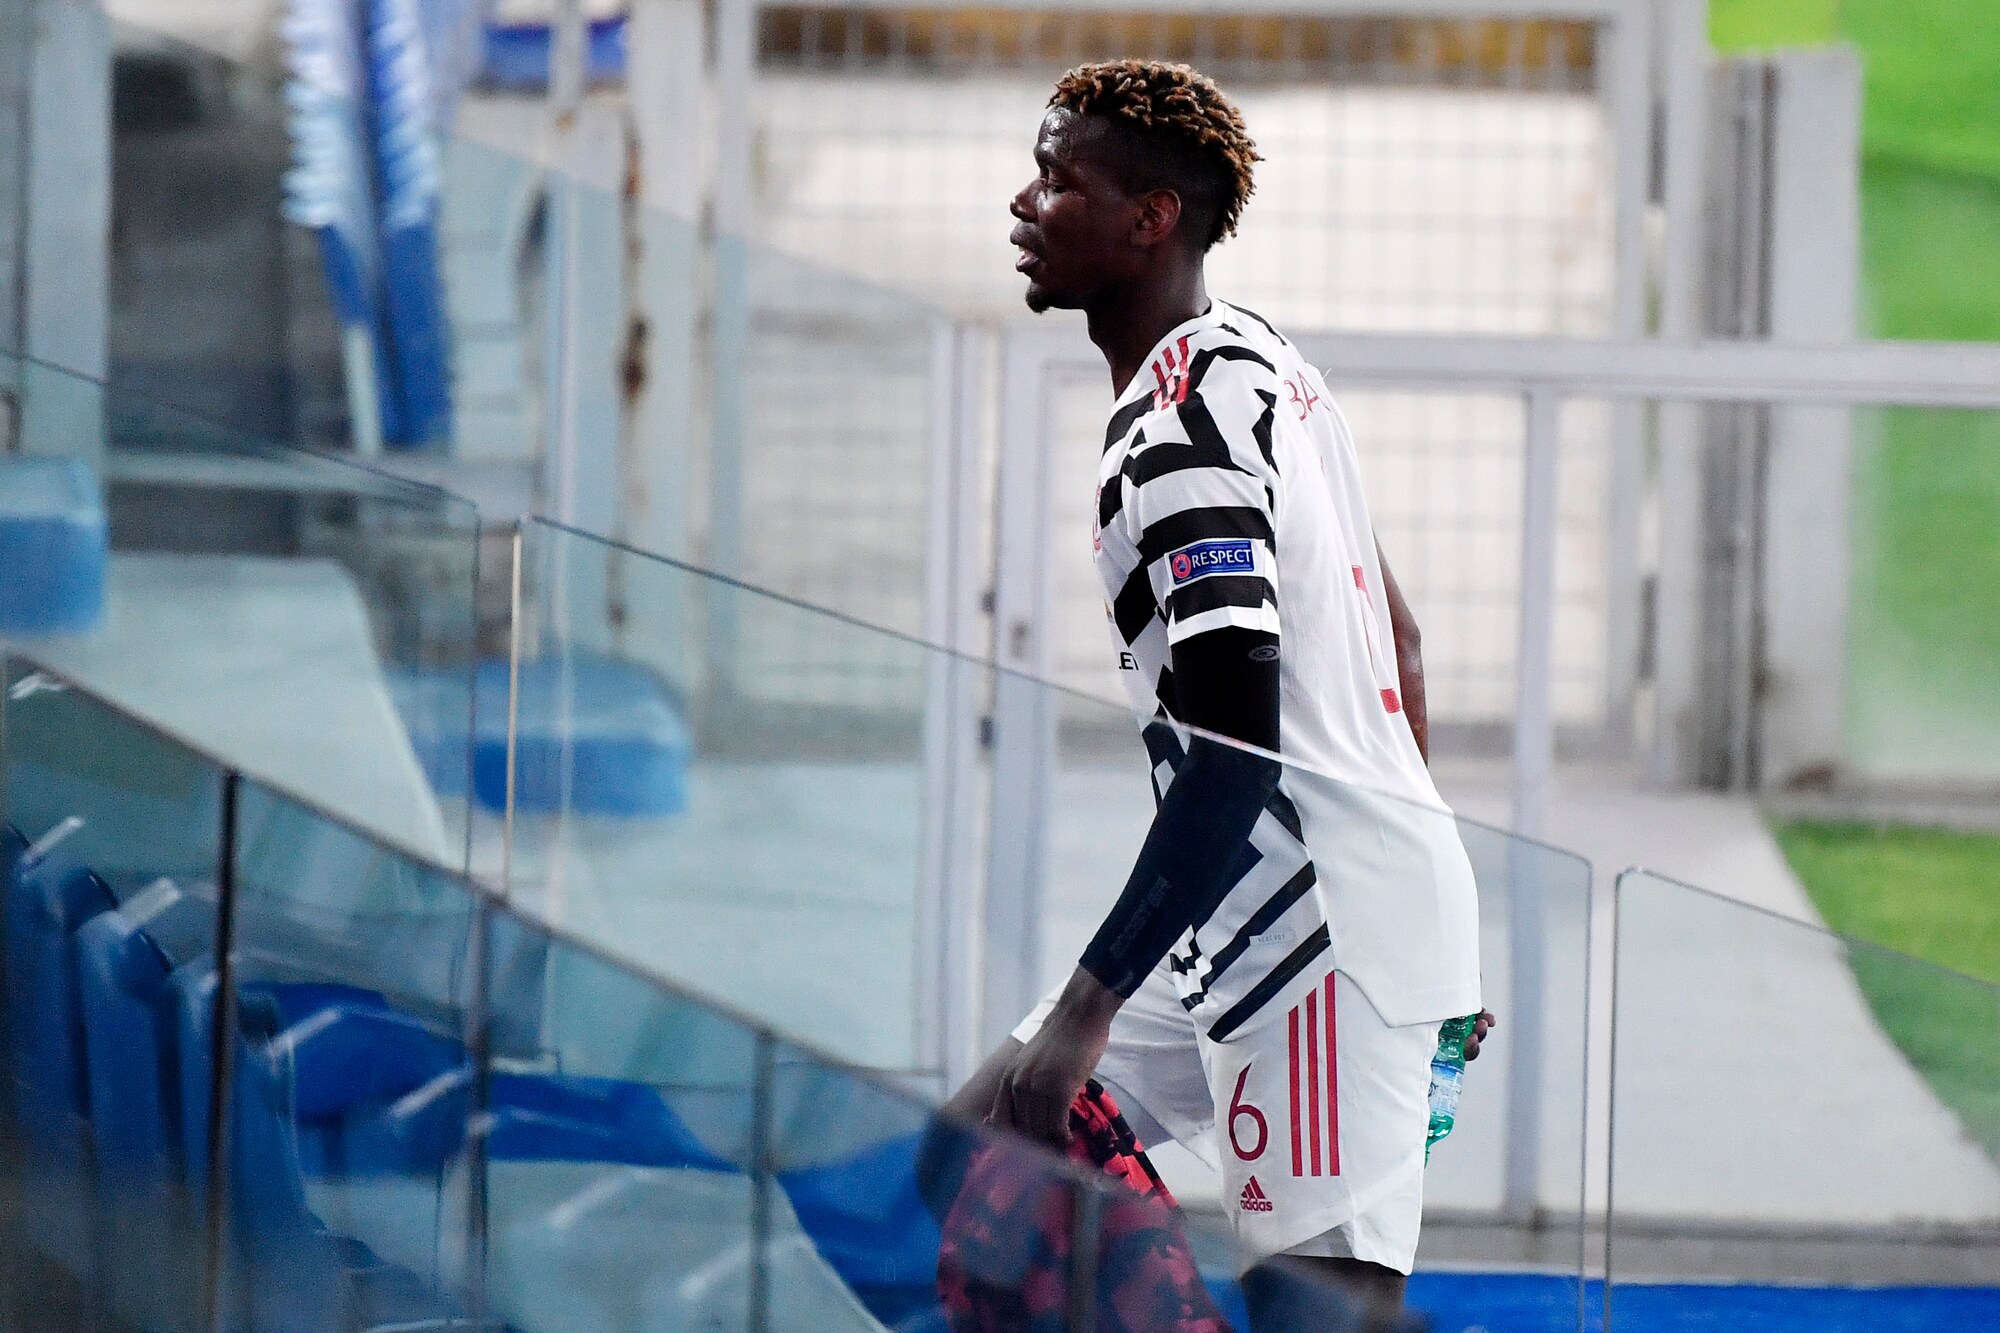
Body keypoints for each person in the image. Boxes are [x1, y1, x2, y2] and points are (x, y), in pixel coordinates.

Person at [938, 59, 1493, 1329]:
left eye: (1057, 180)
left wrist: (1086, 1009)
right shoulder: (1260, 360)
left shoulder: (1179, 439)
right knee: (974, 1151)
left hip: (1321, 936)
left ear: (1151, 219)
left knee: (1317, 1313)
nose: (1024, 203)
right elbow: (1400, 644)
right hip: (1267, 907)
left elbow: (1234, 755)